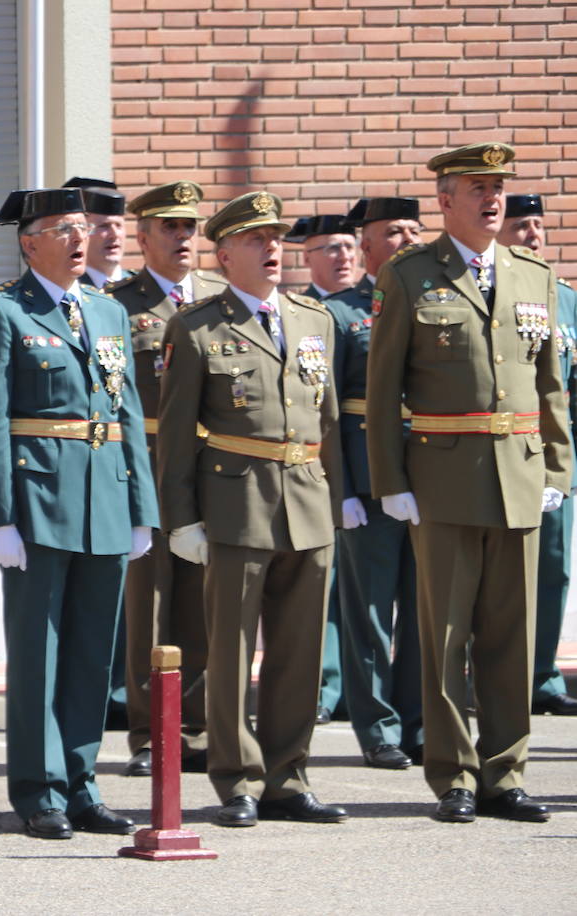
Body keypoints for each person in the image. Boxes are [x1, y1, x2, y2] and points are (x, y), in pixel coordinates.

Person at [366, 142, 570, 824]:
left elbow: (551, 388)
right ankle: (453, 775)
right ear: (445, 201)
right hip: (443, 477)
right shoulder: (409, 276)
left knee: (511, 636)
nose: (492, 199)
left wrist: (557, 468)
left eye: (498, 188)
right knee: (446, 634)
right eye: (476, 188)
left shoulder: (533, 274)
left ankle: (505, 773)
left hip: (518, 474)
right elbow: (384, 385)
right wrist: (390, 478)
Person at [0, 188, 157, 840]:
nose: (81, 239)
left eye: (85, 228)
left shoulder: (106, 312)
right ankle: (39, 790)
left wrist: (140, 509)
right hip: (39, 502)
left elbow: (125, 414)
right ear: (29, 241)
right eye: (64, 229)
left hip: (103, 498)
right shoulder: (1, 312)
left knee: (92, 656)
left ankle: (82, 782)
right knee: (39, 655)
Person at [158, 190, 348, 829]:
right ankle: (237, 780)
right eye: (257, 240)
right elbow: (178, 432)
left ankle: (289, 777)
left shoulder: (313, 319)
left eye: (277, 238)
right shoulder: (197, 326)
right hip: (236, 501)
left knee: (299, 651)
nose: (273, 249)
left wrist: (340, 497)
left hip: (308, 501)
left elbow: (330, 423)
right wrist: (181, 518)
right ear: (225, 252)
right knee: (232, 650)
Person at [105, 180, 226, 778]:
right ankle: (151, 734)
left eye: (189, 228)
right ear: (143, 236)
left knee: (204, 603)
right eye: (170, 228)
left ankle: (199, 728)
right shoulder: (117, 305)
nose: (182, 238)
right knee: (150, 605)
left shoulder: (221, 299)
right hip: (148, 465)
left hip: (212, 467)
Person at [323, 197, 425, 769]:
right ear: (365, 246)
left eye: (414, 228)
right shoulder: (343, 314)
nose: (408, 239)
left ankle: (418, 724)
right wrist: (340, 493)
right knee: (367, 615)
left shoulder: (434, 303)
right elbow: (329, 413)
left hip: (429, 477)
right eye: (394, 232)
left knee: (424, 612)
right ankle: (379, 728)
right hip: (367, 485)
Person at [497, 193, 577, 719]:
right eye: (522, 226)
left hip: (557, 457)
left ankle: (542, 678)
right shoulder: (497, 289)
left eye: (538, 226)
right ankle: (498, 681)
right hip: (506, 452)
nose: (534, 235)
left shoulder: (565, 296)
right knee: (503, 578)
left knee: (554, 568)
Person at [285, 211, 359, 723]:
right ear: (307, 258)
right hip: (315, 467)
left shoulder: (366, 309)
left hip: (366, 466)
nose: (343, 256)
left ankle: (351, 684)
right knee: (323, 589)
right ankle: (323, 687)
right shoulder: (306, 314)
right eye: (330, 248)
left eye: (348, 247)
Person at [63, 176, 131, 289]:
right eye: (104, 226)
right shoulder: (69, 290)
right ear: (81, 233)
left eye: (118, 225)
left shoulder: (145, 289)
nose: (114, 235)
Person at [288, 214, 358, 299]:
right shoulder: (299, 310)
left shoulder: (370, 306)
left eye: (349, 247)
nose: (345, 257)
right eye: (333, 248)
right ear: (307, 258)